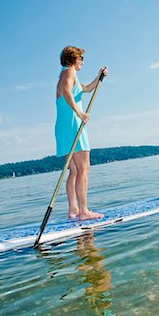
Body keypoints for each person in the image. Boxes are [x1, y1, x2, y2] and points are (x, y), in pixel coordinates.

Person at [55, 45, 108, 220]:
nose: (83, 62)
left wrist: (99, 77)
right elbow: (66, 92)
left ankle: (73, 210)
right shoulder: (69, 72)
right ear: (73, 59)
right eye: (81, 59)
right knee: (84, 168)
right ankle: (84, 211)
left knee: (75, 171)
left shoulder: (66, 74)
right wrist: (80, 113)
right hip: (73, 124)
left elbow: (87, 88)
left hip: (64, 127)